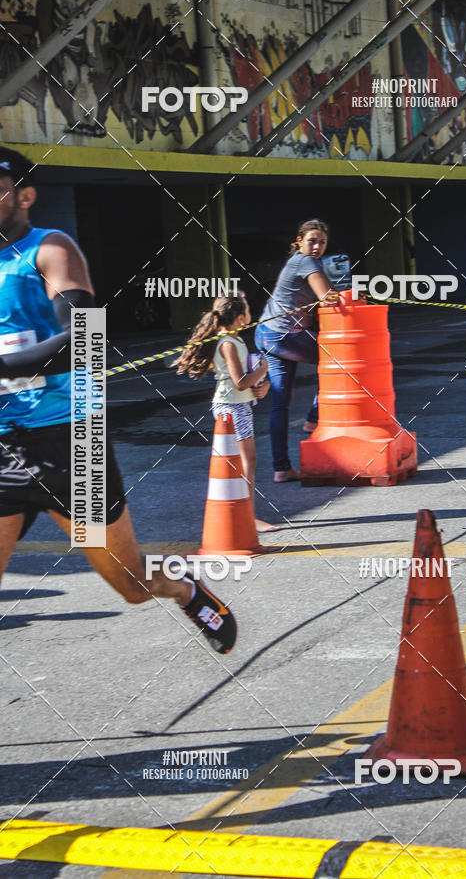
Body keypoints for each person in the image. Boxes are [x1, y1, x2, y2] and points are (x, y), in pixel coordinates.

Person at [0, 146, 237, 654]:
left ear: (25, 195)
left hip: (70, 443)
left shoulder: (49, 249)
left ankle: (186, 588)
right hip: (3, 446)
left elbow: (84, 340)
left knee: (130, 585)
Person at [174, 293, 279, 532]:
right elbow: (239, 382)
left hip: (238, 403)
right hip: (231, 407)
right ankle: (248, 517)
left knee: (245, 461)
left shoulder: (235, 340)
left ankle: (244, 514)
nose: (250, 314)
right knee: (247, 460)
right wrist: (264, 369)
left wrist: (261, 387)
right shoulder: (229, 344)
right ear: (241, 317)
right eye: (248, 310)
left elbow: (244, 384)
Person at [255, 218, 337, 483]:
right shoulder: (306, 261)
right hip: (283, 337)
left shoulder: (299, 263)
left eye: (322, 242)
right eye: (311, 240)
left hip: (267, 335)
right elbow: (328, 298)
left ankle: (282, 468)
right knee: (337, 362)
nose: (316, 246)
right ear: (299, 241)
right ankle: (313, 418)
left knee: (280, 404)